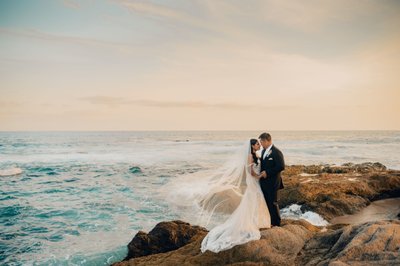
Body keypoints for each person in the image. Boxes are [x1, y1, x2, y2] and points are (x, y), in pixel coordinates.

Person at [199, 139, 271, 253]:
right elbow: (249, 171)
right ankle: (251, 223)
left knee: (256, 202)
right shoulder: (250, 156)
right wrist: (259, 176)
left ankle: (255, 222)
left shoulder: (256, 155)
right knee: (253, 201)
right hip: (253, 182)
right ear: (252, 146)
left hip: (256, 183)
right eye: (257, 144)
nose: (259, 145)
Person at [258, 132, 285, 227]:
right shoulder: (263, 151)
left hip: (273, 182)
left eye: (261, 142)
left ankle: (277, 223)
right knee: (267, 202)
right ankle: (270, 221)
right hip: (264, 183)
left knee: (273, 202)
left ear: (266, 141)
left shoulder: (276, 152)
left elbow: (281, 166)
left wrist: (267, 173)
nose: (260, 144)